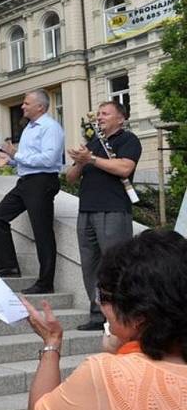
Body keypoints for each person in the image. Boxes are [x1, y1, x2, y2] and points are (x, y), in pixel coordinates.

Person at [23, 230, 187, 410]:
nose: (101, 305)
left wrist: (51, 343)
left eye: (106, 297)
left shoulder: (107, 374)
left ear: (140, 315)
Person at [65, 101, 141, 331]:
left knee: (114, 263)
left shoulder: (128, 139)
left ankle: (119, 315)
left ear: (120, 118)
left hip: (113, 209)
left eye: (105, 113)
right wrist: (80, 162)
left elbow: (125, 168)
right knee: (90, 265)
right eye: (98, 114)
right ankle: (98, 312)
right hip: (86, 209)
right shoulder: (93, 143)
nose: (99, 117)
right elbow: (69, 178)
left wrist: (92, 159)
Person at [0, 89, 64, 294]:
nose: (22, 106)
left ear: (40, 106)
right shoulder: (30, 127)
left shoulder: (50, 127)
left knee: (42, 231)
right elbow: (27, 157)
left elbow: (48, 159)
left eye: (26, 103)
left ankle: (45, 282)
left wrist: (17, 155)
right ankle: (8, 265)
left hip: (42, 181)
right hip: (26, 181)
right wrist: (9, 158)